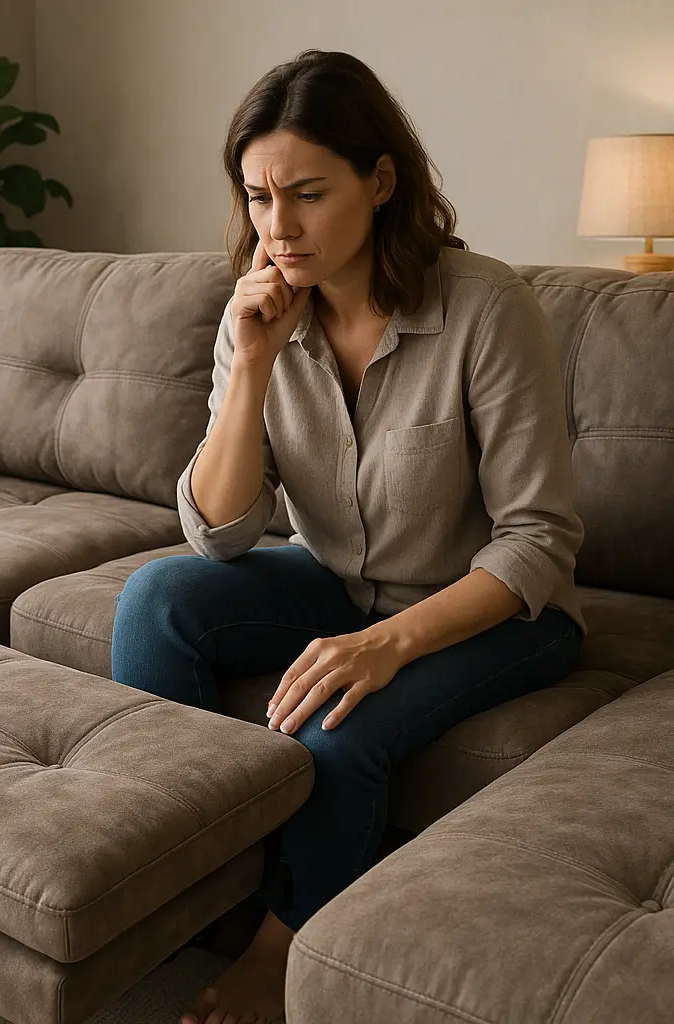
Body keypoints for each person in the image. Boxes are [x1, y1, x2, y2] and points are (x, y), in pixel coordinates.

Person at [111, 49, 586, 1024]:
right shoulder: (256, 311)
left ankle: (283, 947)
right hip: (335, 579)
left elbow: (537, 537)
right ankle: (193, 882)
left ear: (379, 181)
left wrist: (385, 644)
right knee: (157, 598)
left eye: (306, 194)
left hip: (498, 611)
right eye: (256, 196)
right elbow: (223, 532)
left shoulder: (486, 309)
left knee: (339, 724)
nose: (276, 228)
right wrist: (249, 367)